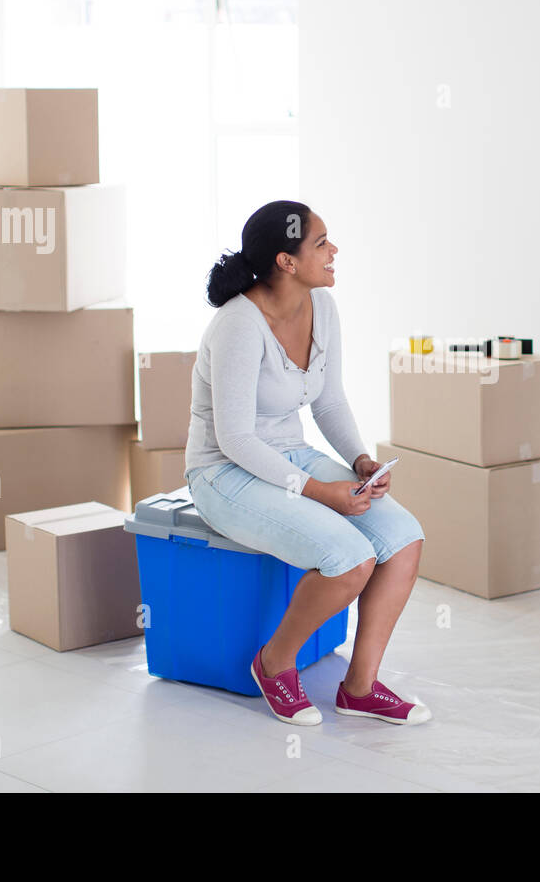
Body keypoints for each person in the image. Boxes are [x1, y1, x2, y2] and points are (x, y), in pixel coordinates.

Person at [185, 200, 429, 726]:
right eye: (321, 243)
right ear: (286, 262)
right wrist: (321, 491)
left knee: (404, 538)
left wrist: (359, 461)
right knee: (351, 558)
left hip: (290, 457)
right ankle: (274, 664)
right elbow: (234, 439)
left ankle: (360, 689)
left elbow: (329, 401)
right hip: (224, 472)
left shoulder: (322, 307)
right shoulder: (238, 326)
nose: (334, 250)